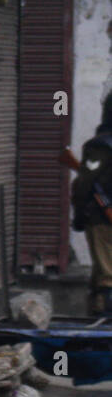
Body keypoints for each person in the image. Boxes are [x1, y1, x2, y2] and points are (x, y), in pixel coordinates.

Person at [73, 92, 112, 315]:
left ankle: (102, 318)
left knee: (106, 274)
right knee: (104, 273)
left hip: (101, 217)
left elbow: (84, 186)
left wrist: (79, 215)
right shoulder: (102, 146)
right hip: (104, 214)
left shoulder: (100, 146)